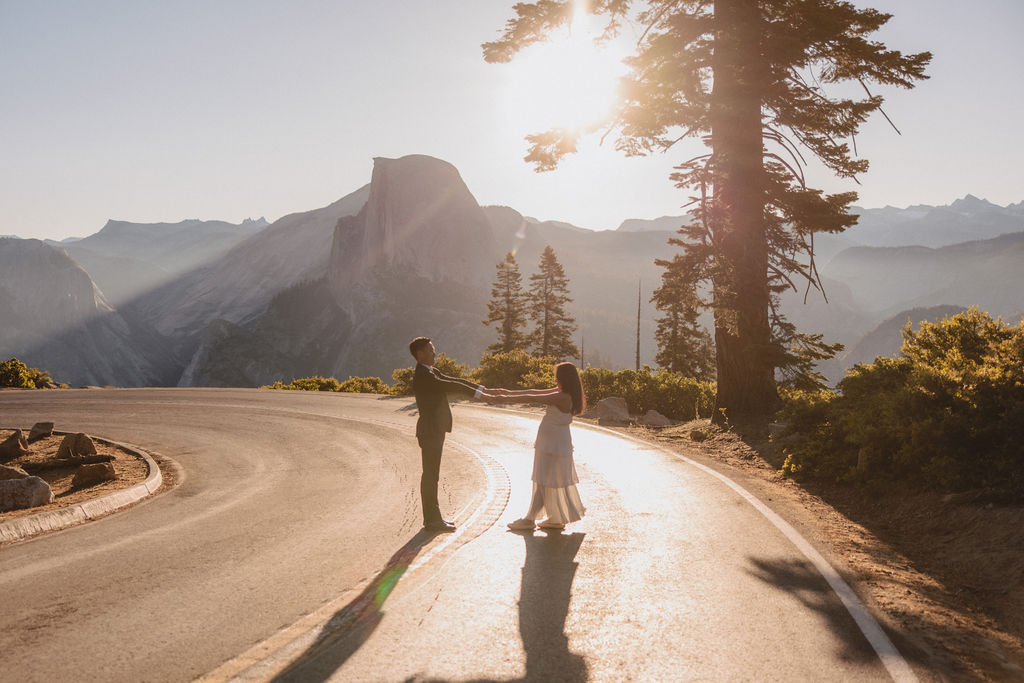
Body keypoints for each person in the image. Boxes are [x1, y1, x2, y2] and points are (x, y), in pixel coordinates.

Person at [482, 362, 586, 531]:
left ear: (563, 379)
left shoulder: (563, 397)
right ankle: (554, 519)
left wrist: (503, 399)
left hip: (553, 444)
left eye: (557, 377)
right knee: (545, 480)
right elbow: (533, 392)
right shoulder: (562, 393)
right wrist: (507, 392)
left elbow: (533, 398)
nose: (555, 379)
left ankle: (530, 519)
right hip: (554, 441)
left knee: (543, 480)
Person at [409, 336, 485, 532]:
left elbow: (453, 380)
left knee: (432, 474)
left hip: (434, 429)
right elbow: (450, 386)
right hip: (430, 430)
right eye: (430, 349)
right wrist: (480, 395)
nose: (434, 353)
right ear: (420, 354)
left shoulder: (430, 371)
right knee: (430, 475)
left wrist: (479, 389)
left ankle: (433, 519)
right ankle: (432, 520)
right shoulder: (424, 376)